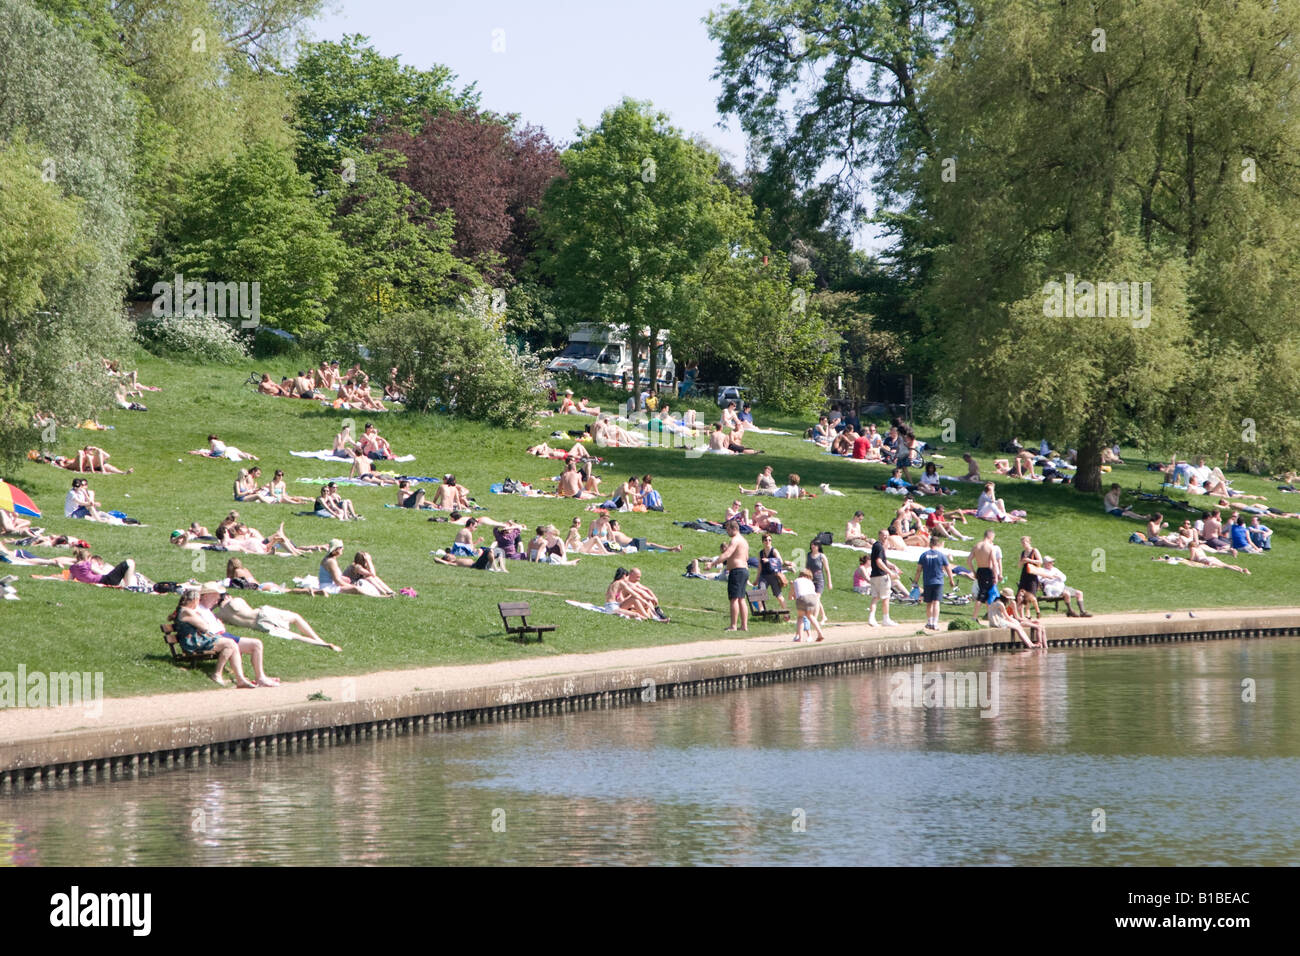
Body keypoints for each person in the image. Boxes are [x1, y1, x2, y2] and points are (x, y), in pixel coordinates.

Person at [172, 588, 274, 688]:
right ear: (193, 600)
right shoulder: (187, 611)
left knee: (231, 644)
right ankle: (218, 674)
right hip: (194, 643)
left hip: (197, 640)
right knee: (230, 643)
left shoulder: (185, 610)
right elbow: (205, 627)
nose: (198, 603)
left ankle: (240, 679)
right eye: (198, 600)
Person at [205, 586, 341, 651]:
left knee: (294, 636)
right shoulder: (236, 600)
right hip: (262, 614)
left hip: (259, 626)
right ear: (227, 596)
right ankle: (319, 640)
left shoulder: (220, 615)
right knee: (296, 617)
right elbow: (237, 607)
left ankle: (324, 645)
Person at [709, 519, 751, 632]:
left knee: (734, 599)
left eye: (728, 529)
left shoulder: (735, 540)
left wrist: (713, 563)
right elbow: (746, 557)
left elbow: (727, 554)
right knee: (741, 599)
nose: (727, 532)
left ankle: (733, 626)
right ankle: (744, 626)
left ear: (734, 529)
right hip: (744, 570)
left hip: (737, 571)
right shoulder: (744, 541)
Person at [913, 541, 956, 630]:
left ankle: (929, 622)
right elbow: (948, 568)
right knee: (936, 602)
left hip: (928, 582)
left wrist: (915, 581)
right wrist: (951, 580)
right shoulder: (941, 555)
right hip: (938, 582)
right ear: (937, 544)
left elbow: (918, 570)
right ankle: (935, 623)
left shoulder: (924, 555)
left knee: (929, 603)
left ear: (930, 544)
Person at [866, 528, 901, 627]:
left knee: (875, 597)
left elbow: (883, 560)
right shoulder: (879, 547)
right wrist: (890, 572)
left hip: (874, 575)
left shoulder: (876, 546)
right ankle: (886, 619)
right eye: (884, 535)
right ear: (879, 535)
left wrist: (893, 566)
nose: (886, 537)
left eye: (887, 535)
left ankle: (871, 618)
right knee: (886, 598)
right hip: (881, 576)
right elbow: (879, 561)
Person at [68, 547, 146, 590]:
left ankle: (129, 586)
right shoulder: (87, 564)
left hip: (104, 581)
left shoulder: (72, 568)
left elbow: (69, 580)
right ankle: (130, 587)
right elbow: (102, 573)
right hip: (106, 580)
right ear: (87, 557)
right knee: (129, 562)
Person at [968, 529, 1003, 620]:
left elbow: (969, 560)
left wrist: (974, 571)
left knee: (987, 594)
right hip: (988, 571)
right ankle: (974, 617)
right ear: (991, 537)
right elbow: (994, 563)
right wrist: (995, 576)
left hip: (980, 570)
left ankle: (991, 616)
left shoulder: (976, 546)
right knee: (983, 594)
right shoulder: (990, 547)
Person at [790, 569, 826, 642]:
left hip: (802, 598)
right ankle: (820, 633)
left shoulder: (796, 580)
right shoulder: (810, 582)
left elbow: (791, 595)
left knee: (800, 617)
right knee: (810, 616)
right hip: (813, 598)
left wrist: (791, 593)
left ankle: (800, 637)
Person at [756, 534, 789, 610]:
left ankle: (786, 613)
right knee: (759, 595)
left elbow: (780, 561)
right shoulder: (760, 553)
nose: (768, 542)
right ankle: (762, 612)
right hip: (763, 576)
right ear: (763, 542)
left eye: (769, 540)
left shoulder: (774, 551)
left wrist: (769, 560)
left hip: (773, 575)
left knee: (779, 596)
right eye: (766, 540)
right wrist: (757, 579)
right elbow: (759, 567)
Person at [805, 539, 832, 624]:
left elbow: (827, 570)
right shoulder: (808, 555)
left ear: (818, 546)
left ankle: (815, 618)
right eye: (812, 544)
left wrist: (829, 582)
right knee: (816, 599)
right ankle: (823, 616)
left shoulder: (822, 556)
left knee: (816, 599)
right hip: (810, 580)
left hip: (819, 579)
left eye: (815, 545)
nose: (813, 546)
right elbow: (806, 568)